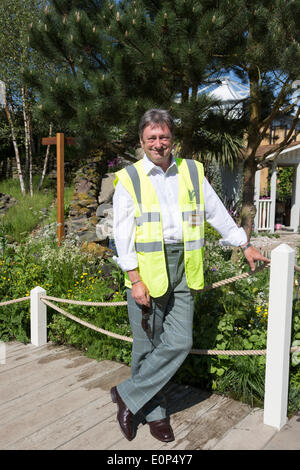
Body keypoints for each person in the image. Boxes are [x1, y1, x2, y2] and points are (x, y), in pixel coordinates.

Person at [111, 109, 268, 443]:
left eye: (164, 136)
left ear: (173, 140)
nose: (158, 143)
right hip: (147, 270)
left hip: (186, 267)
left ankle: (127, 394)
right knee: (146, 345)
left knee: (180, 341)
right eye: (151, 138)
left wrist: (244, 244)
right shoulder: (130, 178)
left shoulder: (192, 171)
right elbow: (121, 234)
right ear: (141, 141)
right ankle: (154, 413)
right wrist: (135, 278)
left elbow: (215, 212)